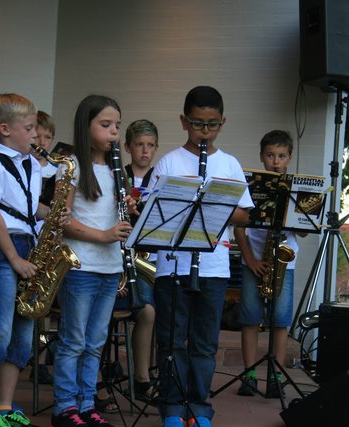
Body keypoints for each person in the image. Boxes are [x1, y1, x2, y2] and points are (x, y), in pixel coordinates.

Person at [148, 86, 253, 427]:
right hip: (173, 266)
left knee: (205, 343)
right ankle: (172, 408)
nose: (204, 132)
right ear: (184, 121)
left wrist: (212, 202)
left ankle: (198, 407)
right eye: (197, 124)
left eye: (212, 125)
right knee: (171, 341)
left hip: (213, 266)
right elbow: (153, 210)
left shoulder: (230, 164)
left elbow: (244, 215)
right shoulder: (169, 162)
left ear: (222, 122)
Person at [51, 94, 137, 427]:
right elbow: (61, 221)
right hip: (80, 266)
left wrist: (128, 209)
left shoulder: (118, 172)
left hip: (109, 267)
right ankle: (64, 407)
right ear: (85, 126)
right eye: (105, 124)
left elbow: (114, 220)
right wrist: (103, 235)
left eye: (117, 125)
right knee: (73, 341)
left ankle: (87, 404)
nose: (114, 131)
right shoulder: (70, 166)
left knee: (95, 343)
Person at [0, 93, 54, 427]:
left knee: (22, 337)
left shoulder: (31, 163)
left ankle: (5, 407)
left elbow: (28, 208)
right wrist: (14, 259)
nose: (36, 136)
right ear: (5, 130)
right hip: (1, 250)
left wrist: (55, 213)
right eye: (30, 128)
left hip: (29, 246)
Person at [233, 129, 304, 398]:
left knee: (280, 320)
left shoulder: (296, 189)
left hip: (284, 262)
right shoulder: (250, 187)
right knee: (250, 318)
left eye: (281, 156)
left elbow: (304, 232)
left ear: (290, 158)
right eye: (271, 155)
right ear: (262, 156)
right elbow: (239, 227)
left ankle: (276, 376)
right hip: (254, 260)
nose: (276, 161)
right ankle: (249, 375)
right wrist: (250, 259)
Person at [95, 119, 160, 412]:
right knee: (103, 315)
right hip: (113, 259)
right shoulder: (117, 175)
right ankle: (97, 379)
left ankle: (142, 379)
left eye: (150, 146)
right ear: (127, 147)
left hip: (142, 262)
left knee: (148, 312)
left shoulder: (159, 179)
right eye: (139, 145)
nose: (145, 151)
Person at [28, 110, 57, 385]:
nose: (42, 142)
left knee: (43, 305)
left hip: (47, 244)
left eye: (48, 137)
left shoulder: (55, 170)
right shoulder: (24, 164)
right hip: (27, 241)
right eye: (38, 136)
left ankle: (41, 359)